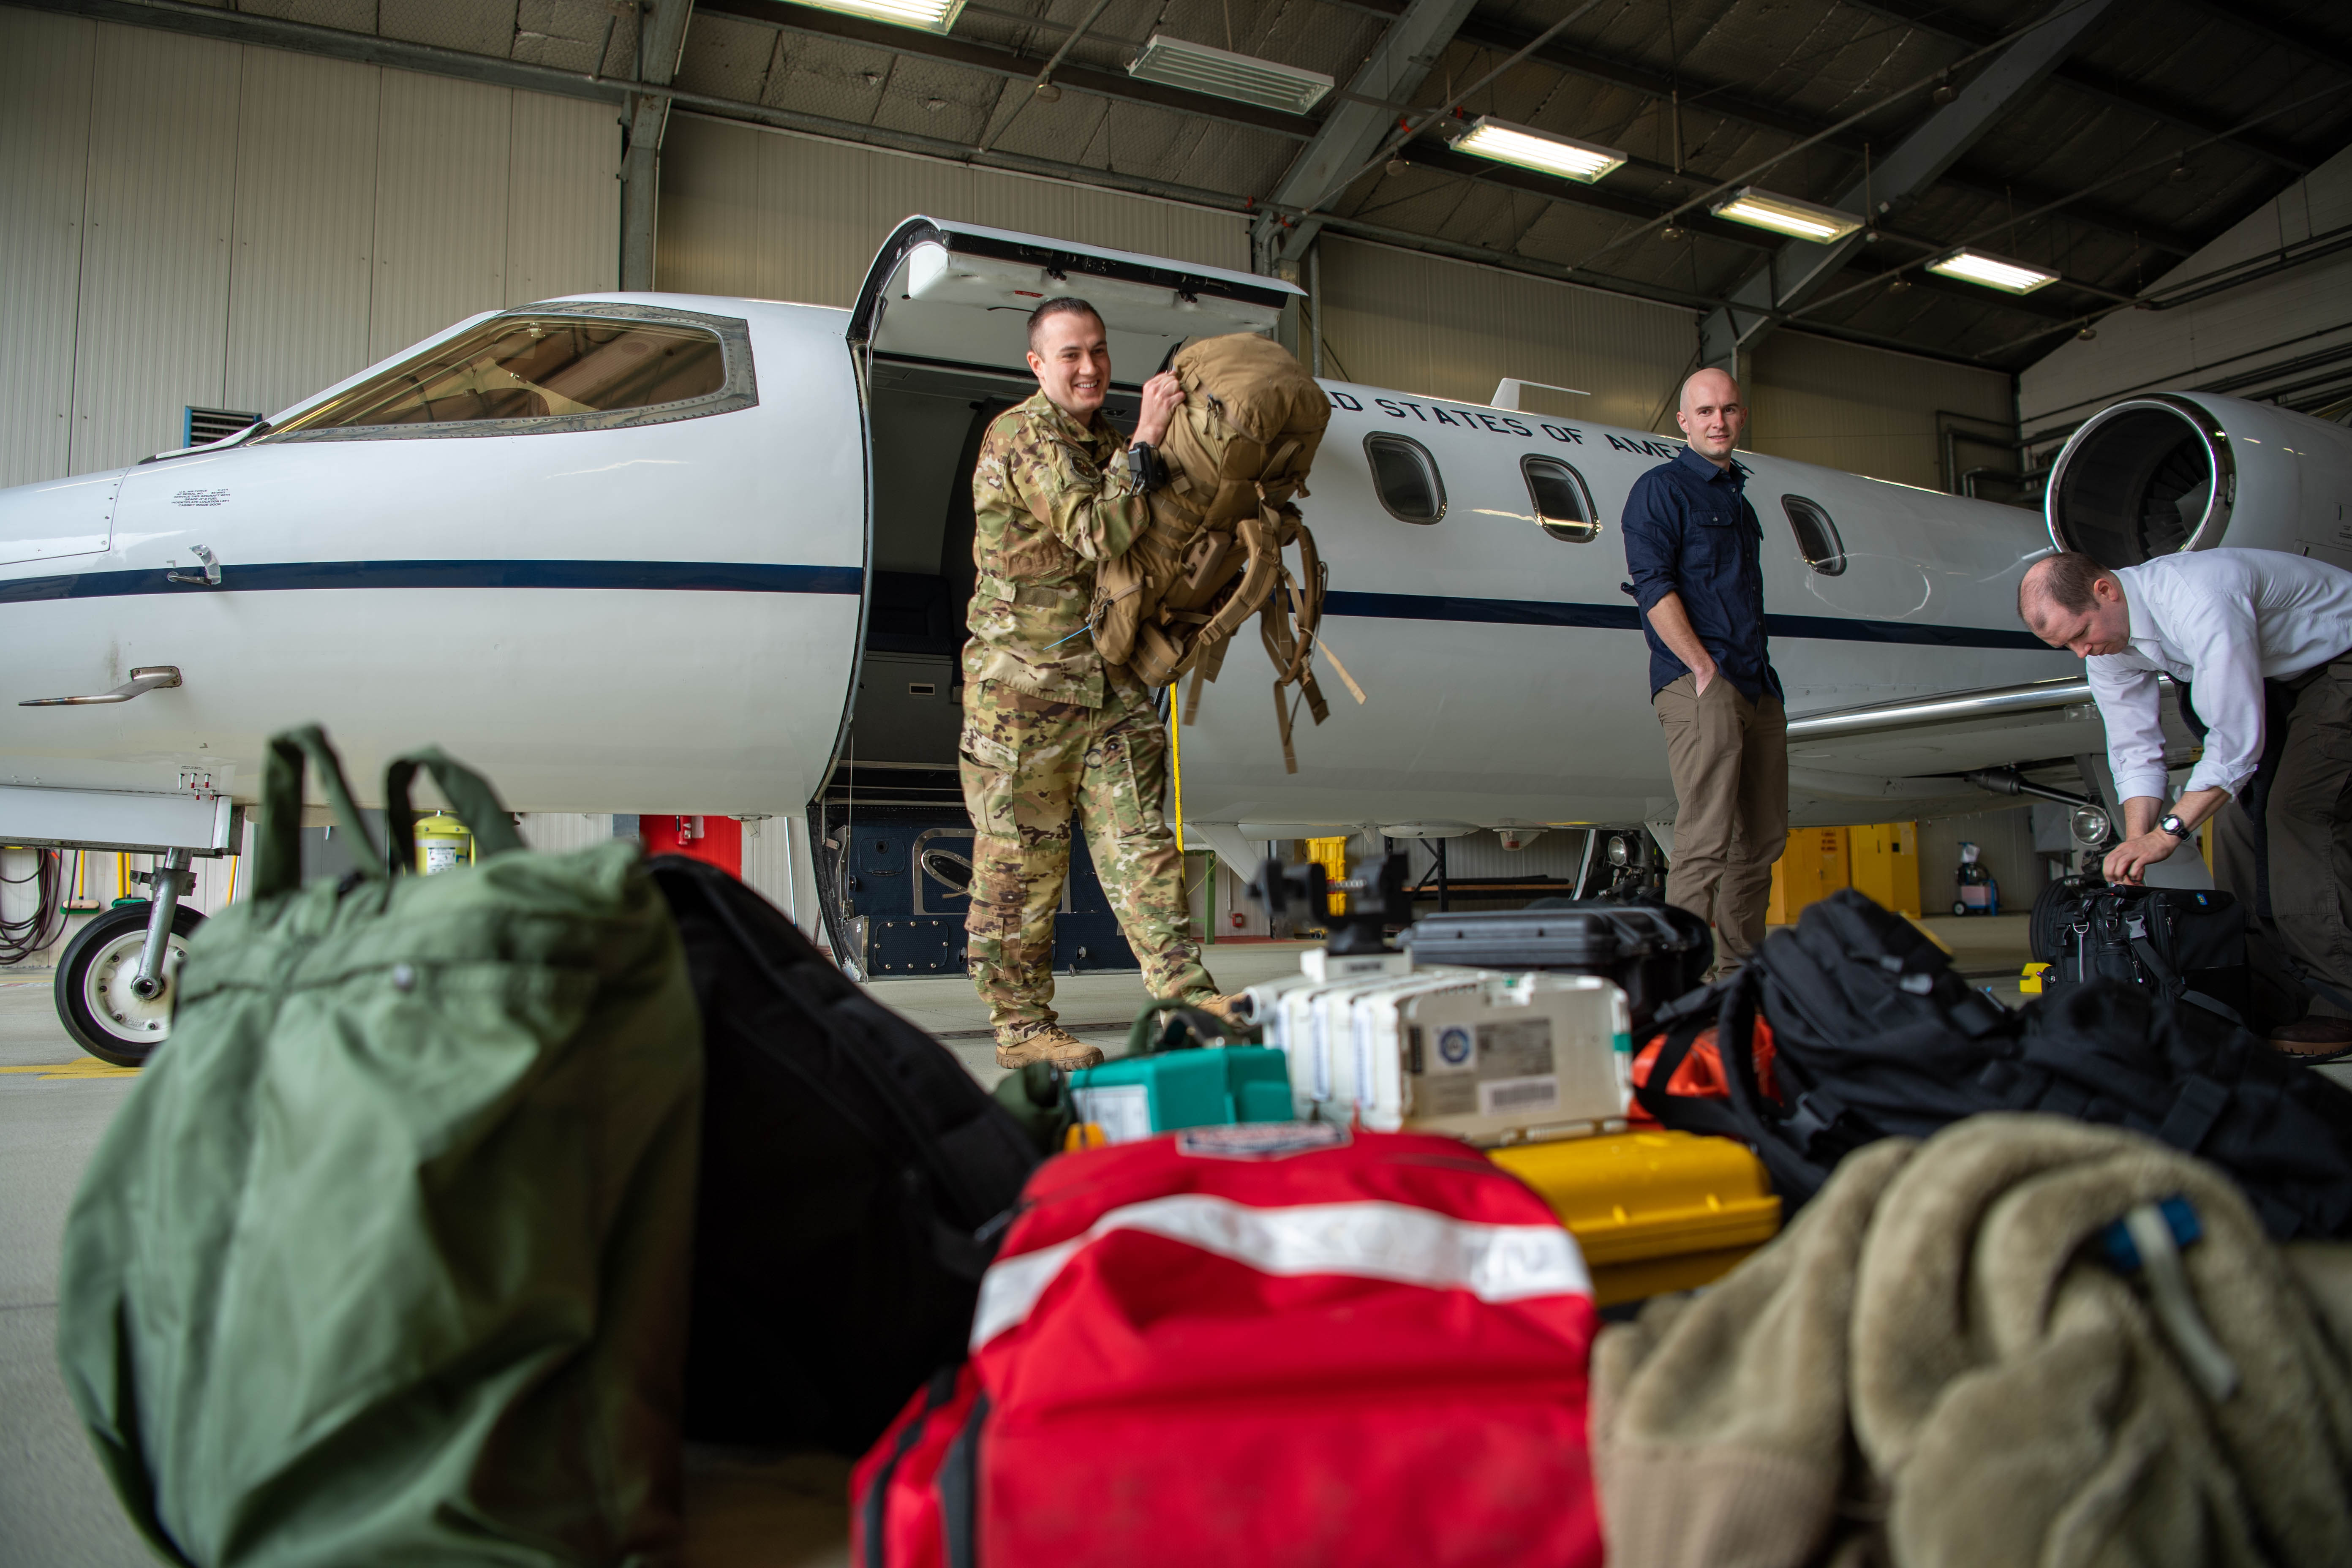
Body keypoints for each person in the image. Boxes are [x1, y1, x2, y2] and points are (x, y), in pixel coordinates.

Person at [959, 297, 1232, 1070]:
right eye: (1070, 354)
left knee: (1140, 840)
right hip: (1023, 692)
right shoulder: (1020, 436)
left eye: (1099, 352)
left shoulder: (1102, 440)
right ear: (1036, 365)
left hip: (1105, 685)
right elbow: (1098, 529)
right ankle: (1022, 1029)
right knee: (1021, 861)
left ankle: (1185, 990)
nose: (1089, 368)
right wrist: (1147, 437)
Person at [2018, 547, 2352, 1051]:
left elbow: (2235, 738)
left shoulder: (2199, 595)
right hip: (2285, 680)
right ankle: (2269, 997)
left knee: (2295, 813)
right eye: (2067, 645)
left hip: (2339, 664)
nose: (2082, 654)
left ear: (2105, 590)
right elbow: (2134, 751)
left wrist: (2168, 834)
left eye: (2082, 634)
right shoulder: (2107, 641)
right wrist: (2136, 843)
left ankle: (2340, 1002)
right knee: (2242, 826)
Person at [1621, 368, 1787, 972]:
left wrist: (1751, 678)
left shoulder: (1735, 496)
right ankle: (1683, 981)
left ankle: (1740, 975)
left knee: (1762, 841)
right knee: (1705, 840)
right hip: (1703, 685)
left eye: (1730, 410)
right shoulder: (1660, 489)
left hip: (1757, 684)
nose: (1720, 421)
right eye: (1707, 412)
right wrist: (1701, 668)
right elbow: (1654, 587)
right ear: (1684, 421)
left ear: (1741, 416)